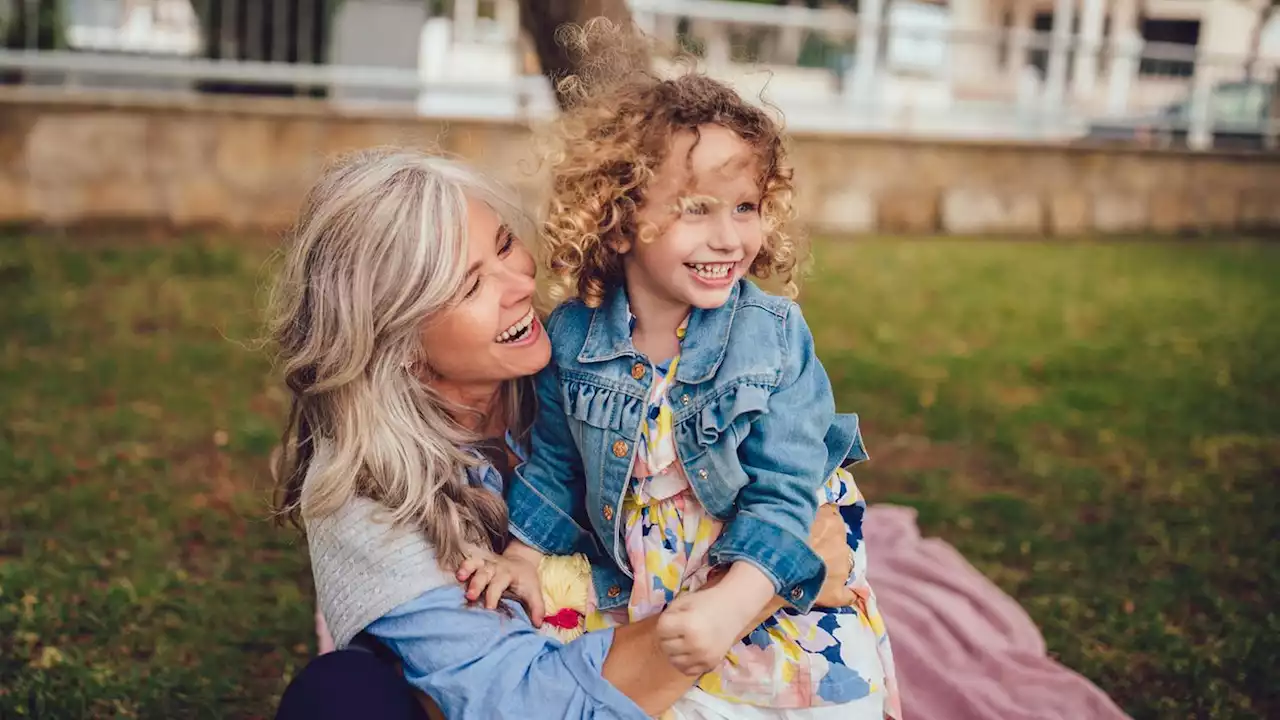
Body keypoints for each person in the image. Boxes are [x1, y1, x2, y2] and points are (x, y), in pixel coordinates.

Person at [269, 147, 857, 720]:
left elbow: (777, 462)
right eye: (470, 286)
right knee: (341, 697)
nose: (520, 285)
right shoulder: (363, 493)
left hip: (641, 650)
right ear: (395, 343)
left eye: (505, 246)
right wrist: (767, 587)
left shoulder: (583, 369)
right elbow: (529, 702)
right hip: (584, 673)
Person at [466, 35, 902, 720]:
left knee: (809, 704)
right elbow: (556, 465)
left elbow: (787, 488)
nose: (729, 237)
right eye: (696, 208)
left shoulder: (771, 338)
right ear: (618, 220)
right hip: (641, 572)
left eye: (746, 207)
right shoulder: (575, 339)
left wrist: (734, 601)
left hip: (761, 558)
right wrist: (523, 555)